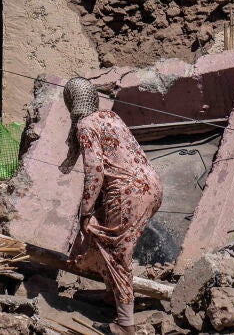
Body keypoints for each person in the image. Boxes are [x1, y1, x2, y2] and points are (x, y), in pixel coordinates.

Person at [63, 77, 163, 335]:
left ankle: (125, 324)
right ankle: (112, 295)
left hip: (127, 192)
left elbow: (95, 171)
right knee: (107, 241)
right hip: (151, 186)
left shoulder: (85, 125)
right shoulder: (110, 116)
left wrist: (85, 210)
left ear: (72, 102)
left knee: (118, 254)